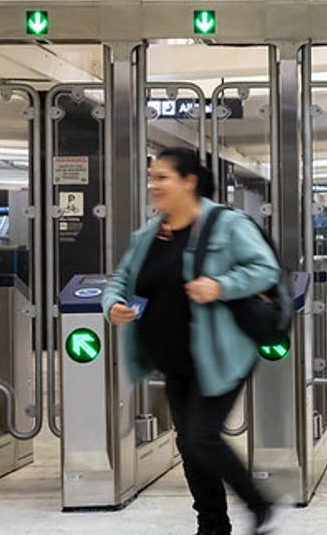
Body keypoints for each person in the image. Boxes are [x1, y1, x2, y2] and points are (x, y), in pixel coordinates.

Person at [101, 147, 283, 535]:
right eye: (151, 177)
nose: (154, 185)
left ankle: (259, 503)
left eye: (163, 177)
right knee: (190, 444)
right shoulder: (149, 235)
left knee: (202, 435)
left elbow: (265, 268)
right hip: (174, 356)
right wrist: (113, 304)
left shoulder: (227, 225)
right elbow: (122, 280)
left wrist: (221, 285)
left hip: (222, 352)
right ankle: (212, 525)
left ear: (189, 181)